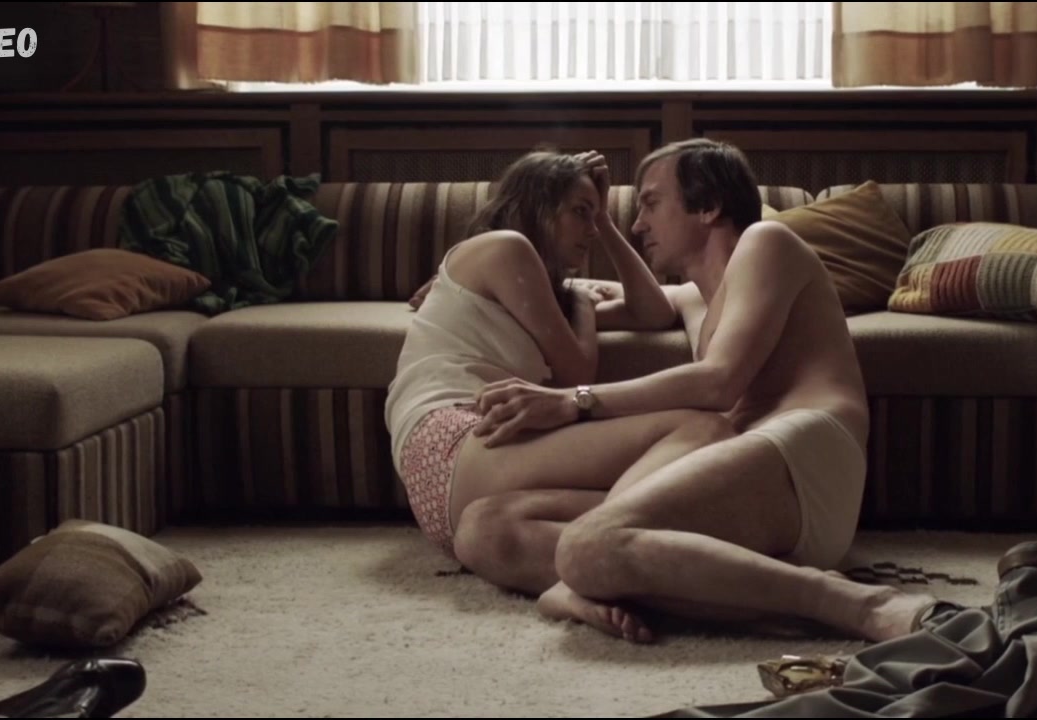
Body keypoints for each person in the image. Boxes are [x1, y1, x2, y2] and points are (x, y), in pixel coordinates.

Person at [468, 138, 938, 644]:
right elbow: (625, 302)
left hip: (804, 459)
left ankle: (858, 604)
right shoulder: (693, 297)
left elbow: (720, 380)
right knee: (485, 527)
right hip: (733, 471)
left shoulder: (767, 242)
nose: (638, 224)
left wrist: (573, 401)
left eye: (651, 203)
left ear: (709, 205)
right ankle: (723, 593)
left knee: (586, 546)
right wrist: (468, 290)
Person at [384, 149, 740, 600]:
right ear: (538, 205)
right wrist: (583, 304)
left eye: (595, 216)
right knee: (701, 430)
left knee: (678, 491)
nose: (590, 229)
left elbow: (652, 312)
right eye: (580, 212)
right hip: (453, 441)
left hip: (471, 484)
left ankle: (574, 588)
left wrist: (605, 222)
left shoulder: (545, 291)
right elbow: (576, 372)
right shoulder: (505, 248)